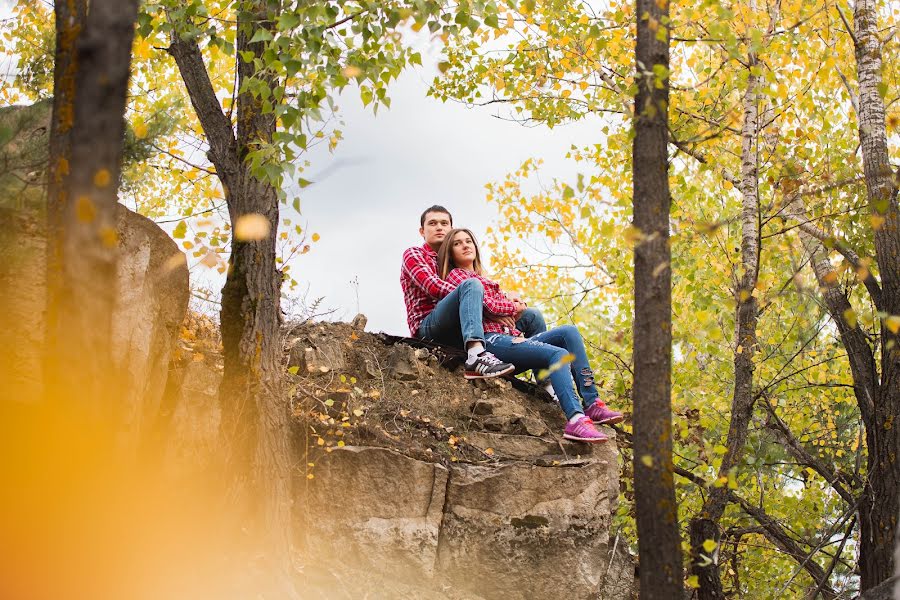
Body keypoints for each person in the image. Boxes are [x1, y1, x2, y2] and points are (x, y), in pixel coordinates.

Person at [437, 227, 623, 443]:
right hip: (492, 342)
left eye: (468, 241)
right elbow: (492, 307)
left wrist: (511, 304)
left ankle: (592, 403)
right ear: (450, 253)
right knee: (559, 354)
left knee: (569, 332)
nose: (465, 245)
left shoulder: (483, 277)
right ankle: (575, 419)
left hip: (509, 338)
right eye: (458, 243)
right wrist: (511, 303)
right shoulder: (458, 276)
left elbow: (510, 308)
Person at [401, 205, 514, 379]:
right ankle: (476, 355)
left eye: (444, 223)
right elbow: (434, 287)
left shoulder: (455, 260)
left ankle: (546, 382)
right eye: (433, 223)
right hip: (428, 327)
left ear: (451, 229)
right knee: (472, 285)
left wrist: (509, 300)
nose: (439, 227)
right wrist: (488, 306)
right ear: (422, 231)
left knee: (531, 316)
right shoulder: (414, 254)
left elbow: (486, 289)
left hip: (458, 326)